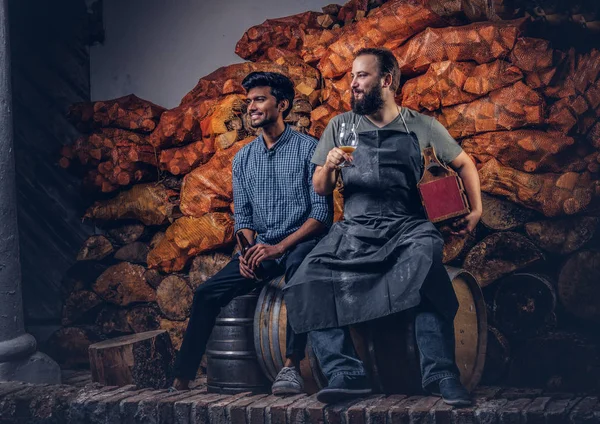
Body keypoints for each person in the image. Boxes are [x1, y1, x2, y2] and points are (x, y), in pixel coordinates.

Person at [283, 48, 483, 406]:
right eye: (352, 77)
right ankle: (346, 372)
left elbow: (465, 163)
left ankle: (441, 374)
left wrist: (477, 209)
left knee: (427, 262)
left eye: (362, 76)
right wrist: (328, 165)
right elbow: (320, 187)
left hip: (407, 226)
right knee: (307, 277)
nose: (353, 84)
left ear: (386, 80)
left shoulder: (420, 125)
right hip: (355, 229)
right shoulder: (340, 126)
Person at [170, 71, 333, 395]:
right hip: (262, 248)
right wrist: (246, 251)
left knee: (300, 273)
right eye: (249, 102)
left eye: (260, 99)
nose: (252, 107)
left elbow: (321, 215)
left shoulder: (308, 149)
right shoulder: (243, 158)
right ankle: (182, 378)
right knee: (206, 294)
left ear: (282, 104)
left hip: (302, 243)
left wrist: (279, 247)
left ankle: (290, 367)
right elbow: (243, 216)